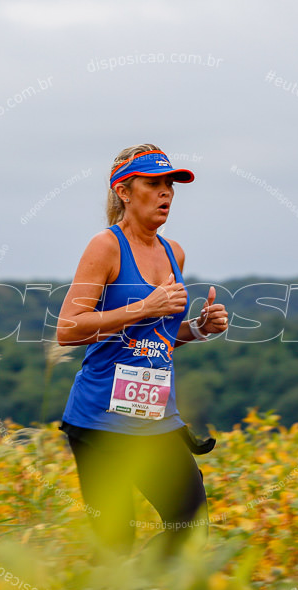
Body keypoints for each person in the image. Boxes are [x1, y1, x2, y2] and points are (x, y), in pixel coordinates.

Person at [57, 144, 229, 556]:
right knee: (115, 543)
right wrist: (143, 307)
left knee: (189, 525)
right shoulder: (106, 247)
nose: (166, 192)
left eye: (170, 184)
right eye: (154, 183)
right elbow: (68, 329)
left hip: (156, 418)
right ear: (125, 191)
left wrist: (200, 329)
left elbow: (159, 338)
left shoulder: (174, 253)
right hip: (100, 420)